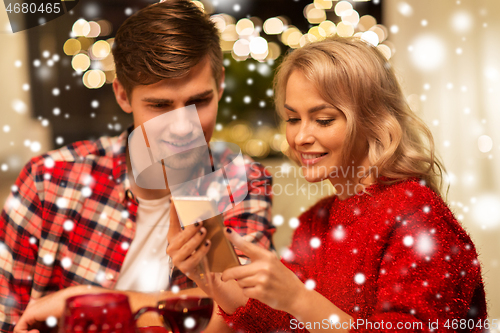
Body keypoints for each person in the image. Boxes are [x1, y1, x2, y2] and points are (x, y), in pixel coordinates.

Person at [169, 36, 488, 332]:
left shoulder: (418, 215)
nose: (301, 137)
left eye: (323, 119)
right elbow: (286, 327)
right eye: (293, 118)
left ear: (372, 120)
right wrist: (209, 278)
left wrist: (297, 298)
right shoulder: (315, 221)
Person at [0, 1, 275, 332]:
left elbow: (254, 319)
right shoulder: (50, 180)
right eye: (160, 105)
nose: (182, 127)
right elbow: (9, 318)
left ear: (219, 85)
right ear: (122, 95)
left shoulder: (242, 180)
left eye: (198, 102)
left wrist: (82, 299)